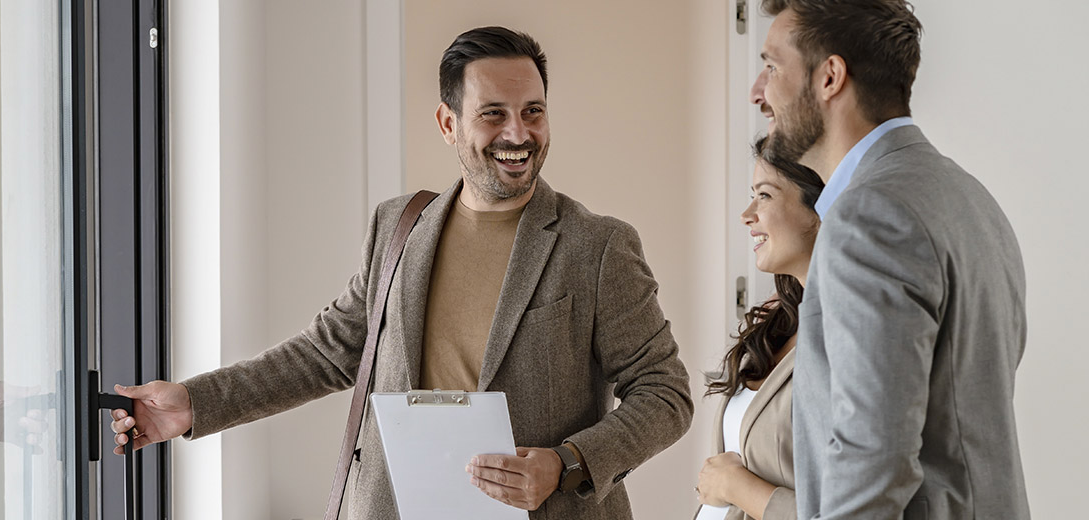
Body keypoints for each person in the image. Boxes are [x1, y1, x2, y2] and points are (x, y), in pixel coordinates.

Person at [108, 26, 693, 519]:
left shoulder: (597, 245)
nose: (519, 134)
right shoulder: (399, 227)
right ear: (448, 122)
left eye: (533, 112)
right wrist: (195, 402)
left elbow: (665, 394)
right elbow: (329, 352)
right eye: (494, 114)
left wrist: (565, 464)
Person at [750, 1, 1029, 519]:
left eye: (770, 67)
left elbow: (870, 463)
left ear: (829, 76)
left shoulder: (869, 216)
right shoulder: (969, 197)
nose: (757, 92)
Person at [694, 138, 822, 520]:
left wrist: (735, 487)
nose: (747, 214)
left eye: (764, 196)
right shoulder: (776, 325)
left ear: (819, 210)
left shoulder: (852, 340)